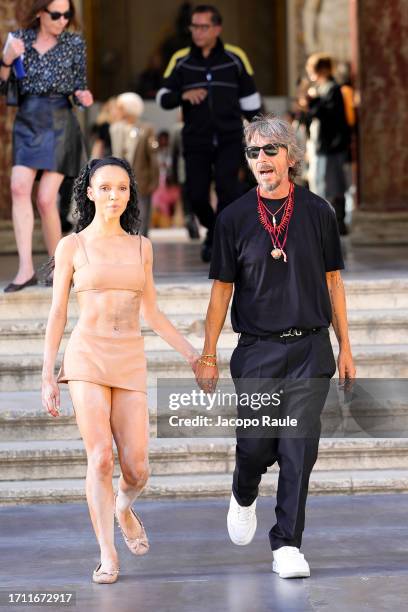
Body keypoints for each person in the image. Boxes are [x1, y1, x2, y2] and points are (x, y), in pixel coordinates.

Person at [196, 115, 355, 578]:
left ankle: (287, 543)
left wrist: (345, 345)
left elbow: (334, 281)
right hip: (258, 350)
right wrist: (208, 354)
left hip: (310, 348)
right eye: (253, 152)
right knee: (255, 447)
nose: (261, 160)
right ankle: (244, 490)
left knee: (298, 447)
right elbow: (221, 291)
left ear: (290, 155)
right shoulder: (233, 218)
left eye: (270, 150)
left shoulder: (319, 211)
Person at [41, 157, 199, 584]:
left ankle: (124, 508)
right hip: (87, 354)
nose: (114, 195)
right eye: (105, 187)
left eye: (123, 188)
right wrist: (47, 372)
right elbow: (57, 313)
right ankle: (107, 554)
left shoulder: (142, 246)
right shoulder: (72, 247)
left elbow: (153, 312)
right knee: (101, 458)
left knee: (137, 469)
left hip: (129, 356)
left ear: (130, 194)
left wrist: (193, 353)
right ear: (89, 193)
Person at [0, 0, 93, 292]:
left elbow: (79, 87)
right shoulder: (18, 40)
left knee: (45, 199)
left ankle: (58, 267)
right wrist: (5, 61)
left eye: (67, 14)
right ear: (40, 13)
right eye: (56, 14)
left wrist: (83, 96)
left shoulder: (74, 43)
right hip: (27, 119)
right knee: (18, 187)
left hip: (59, 121)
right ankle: (26, 268)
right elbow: (4, 87)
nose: (63, 20)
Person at [156, 4, 261, 262]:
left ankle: (219, 241)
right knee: (196, 194)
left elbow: (251, 102)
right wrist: (183, 95)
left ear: (217, 29)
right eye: (194, 26)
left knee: (228, 190)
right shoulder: (181, 61)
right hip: (196, 140)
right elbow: (163, 97)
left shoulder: (235, 58)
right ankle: (213, 230)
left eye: (204, 26)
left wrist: (263, 132)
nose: (198, 32)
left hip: (229, 138)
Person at [300, 53, 350, 235]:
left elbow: (330, 116)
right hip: (320, 144)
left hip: (331, 146)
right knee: (319, 183)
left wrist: (313, 103)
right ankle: (325, 222)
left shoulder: (332, 89)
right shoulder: (320, 88)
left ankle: (337, 222)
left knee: (333, 184)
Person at [110, 92, 159, 236]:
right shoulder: (115, 129)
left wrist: (154, 180)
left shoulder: (146, 128)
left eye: (120, 107)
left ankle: (141, 243)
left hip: (141, 179)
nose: (116, 110)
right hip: (120, 179)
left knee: (142, 214)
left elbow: (152, 157)